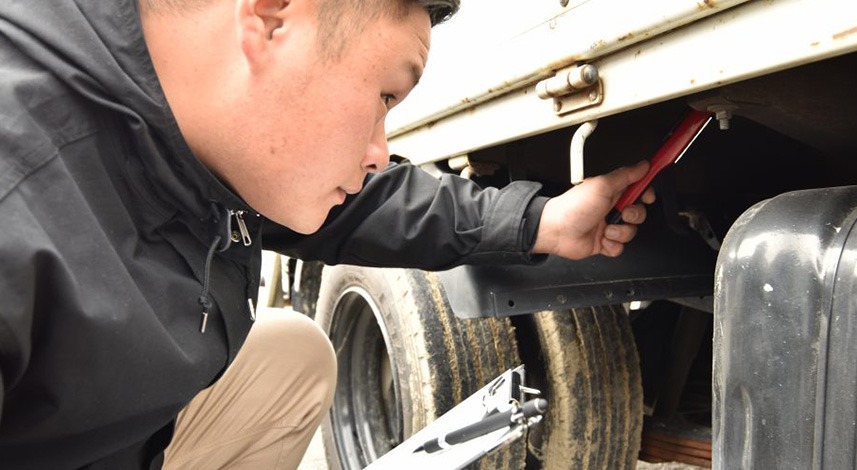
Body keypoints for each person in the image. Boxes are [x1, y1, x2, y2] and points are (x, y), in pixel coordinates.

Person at [0, 0, 656, 468]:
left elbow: (360, 206)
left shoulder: (186, 114)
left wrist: (540, 223)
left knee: (291, 357)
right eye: (385, 97)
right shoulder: (20, 199)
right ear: (271, 17)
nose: (379, 152)